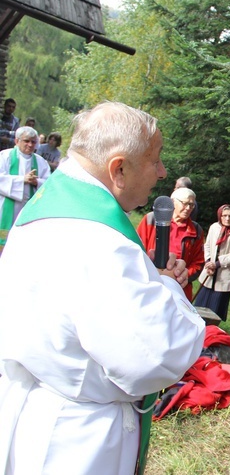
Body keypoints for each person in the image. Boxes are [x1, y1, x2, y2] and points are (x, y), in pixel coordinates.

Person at [0, 101, 205, 474]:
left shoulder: (47, 206)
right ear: (119, 167)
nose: (162, 172)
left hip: (38, 409)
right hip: (77, 440)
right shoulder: (99, 241)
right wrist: (169, 288)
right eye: (155, 159)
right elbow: (157, 355)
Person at [137, 187, 204, 300]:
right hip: (149, 284)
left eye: (192, 205)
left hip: (179, 289)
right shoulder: (151, 219)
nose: (188, 208)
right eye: (185, 203)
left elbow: (198, 263)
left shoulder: (196, 230)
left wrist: (182, 274)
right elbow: (138, 249)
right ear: (172, 202)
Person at [0, 126, 51, 248]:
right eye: (26, 141)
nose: (30, 144)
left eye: (33, 142)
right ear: (17, 141)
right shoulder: (4, 156)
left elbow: (49, 184)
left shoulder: (41, 162)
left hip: (28, 207)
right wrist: (22, 180)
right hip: (6, 206)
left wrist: (36, 182)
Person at [194, 204, 230, 321]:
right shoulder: (214, 227)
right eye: (224, 216)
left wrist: (217, 264)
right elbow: (207, 245)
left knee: (214, 311)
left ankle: (211, 331)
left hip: (223, 277)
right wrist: (208, 262)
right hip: (209, 273)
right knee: (199, 307)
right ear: (220, 216)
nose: (227, 219)